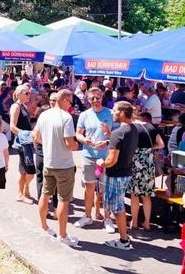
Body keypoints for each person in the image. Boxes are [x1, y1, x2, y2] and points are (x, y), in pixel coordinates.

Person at [32, 89, 79, 247]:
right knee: (63, 200)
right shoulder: (66, 117)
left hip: (48, 162)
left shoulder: (44, 114)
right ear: (64, 101)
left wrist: (49, 144)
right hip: (64, 164)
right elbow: (69, 143)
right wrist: (75, 145)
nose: (71, 105)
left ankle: (44, 226)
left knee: (45, 195)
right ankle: (62, 235)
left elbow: (36, 137)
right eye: (70, 102)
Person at [96, 101, 138, 250]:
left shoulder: (118, 133)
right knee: (118, 206)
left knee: (117, 208)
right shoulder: (132, 129)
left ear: (121, 113)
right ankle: (124, 236)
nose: (112, 113)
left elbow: (111, 160)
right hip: (126, 172)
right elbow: (123, 143)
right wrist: (109, 140)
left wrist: (101, 163)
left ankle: (124, 240)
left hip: (116, 174)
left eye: (114, 111)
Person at [74, 87, 115, 233]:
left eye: (98, 97)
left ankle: (107, 218)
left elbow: (117, 135)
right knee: (89, 186)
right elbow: (78, 134)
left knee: (105, 188)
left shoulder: (110, 114)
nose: (95, 100)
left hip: (106, 156)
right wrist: (85, 140)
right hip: (88, 154)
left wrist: (108, 140)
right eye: (92, 98)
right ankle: (87, 215)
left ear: (102, 97)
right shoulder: (84, 115)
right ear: (88, 99)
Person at [128, 112, 164, 231]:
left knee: (135, 195)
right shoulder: (152, 127)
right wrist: (149, 148)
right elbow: (161, 144)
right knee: (146, 195)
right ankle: (147, 223)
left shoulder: (133, 128)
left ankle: (134, 222)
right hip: (148, 162)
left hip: (135, 161)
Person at [10, 85, 36, 204]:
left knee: (25, 169)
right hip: (22, 142)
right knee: (27, 169)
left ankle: (24, 190)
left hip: (27, 141)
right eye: (26, 93)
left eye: (29, 93)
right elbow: (12, 127)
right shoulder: (16, 107)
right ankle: (20, 193)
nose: (28, 95)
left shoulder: (23, 106)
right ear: (19, 94)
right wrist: (26, 134)